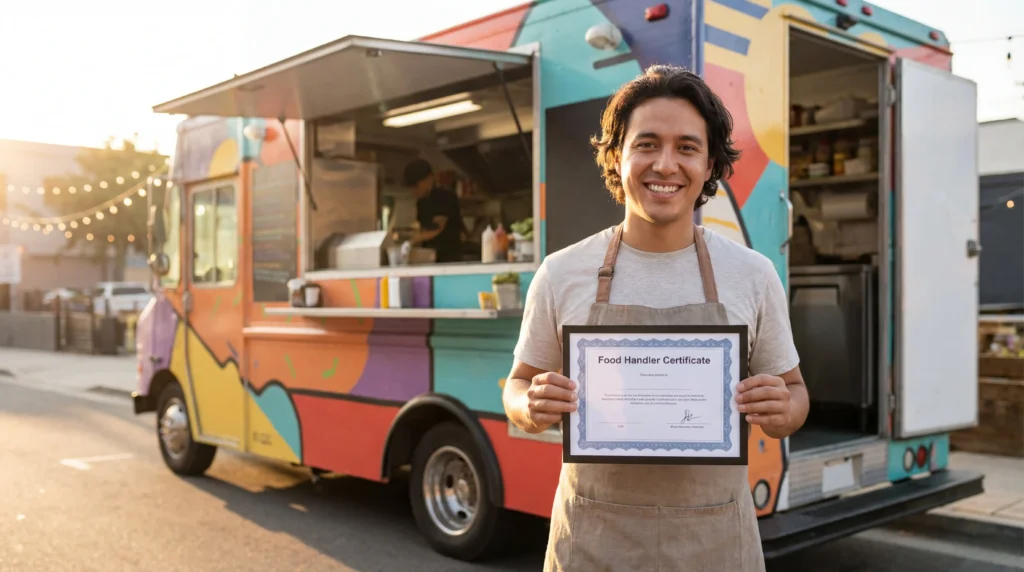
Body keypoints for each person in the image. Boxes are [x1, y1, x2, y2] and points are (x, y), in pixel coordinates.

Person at [502, 65, 809, 571]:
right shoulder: (561, 272)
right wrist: (529, 405)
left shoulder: (753, 274)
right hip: (594, 543)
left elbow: (795, 394)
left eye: (687, 147)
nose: (665, 165)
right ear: (617, 155)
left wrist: (783, 409)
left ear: (710, 164)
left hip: (714, 543)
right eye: (647, 144)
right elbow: (516, 386)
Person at [403, 159, 464, 263]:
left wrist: (412, 240)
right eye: (411, 187)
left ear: (429, 179)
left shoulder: (444, 196)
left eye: (416, 186)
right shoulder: (421, 203)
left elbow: (438, 228)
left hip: (448, 258)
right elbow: (423, 228)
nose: (414, 190)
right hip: (430, 257)